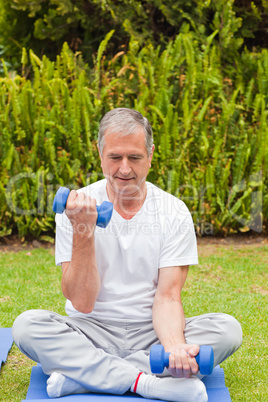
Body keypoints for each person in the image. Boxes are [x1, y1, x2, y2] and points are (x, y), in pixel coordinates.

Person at [12, 108, 242, 402]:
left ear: (150, 155)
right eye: (115, 157)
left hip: (151, 335)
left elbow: (168, 297)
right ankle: (144, 382)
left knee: (227, 329)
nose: (124, 169)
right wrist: (83, 229)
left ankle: (84, 378)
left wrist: (173, 347)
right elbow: (81, 302)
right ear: (99, 153)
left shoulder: (174, 211)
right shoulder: (76, 208)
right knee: (28, 326)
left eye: (134, 157)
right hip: (89, 331)